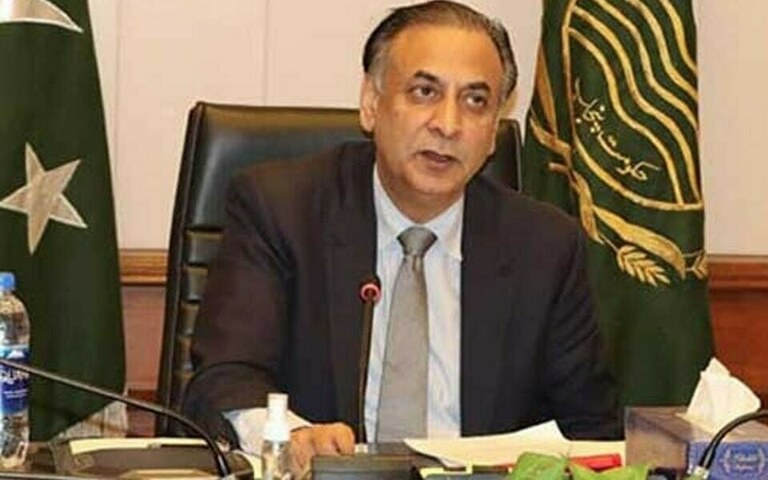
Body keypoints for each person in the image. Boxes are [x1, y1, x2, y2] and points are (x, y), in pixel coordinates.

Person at [183, 0, 621, 474]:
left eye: (475, 101)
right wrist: (288, 436)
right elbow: (225, 379)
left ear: (494, 129)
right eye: (424, 92)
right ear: (372, 104)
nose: (448, 125)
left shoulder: (545, 247)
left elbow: (589, 431)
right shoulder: (281, 211)